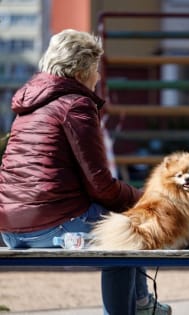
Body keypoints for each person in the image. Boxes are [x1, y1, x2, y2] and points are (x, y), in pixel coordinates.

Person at [0, 29, 171, 315]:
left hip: (9, 227)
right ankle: (139, 306)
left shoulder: (28, 106)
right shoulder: (76, 105)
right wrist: (141, 199)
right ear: (81, 71)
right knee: (126, 234)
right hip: (51, 224)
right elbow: (100, 185)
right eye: (96, 69)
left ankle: (141, 304)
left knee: (122, 224)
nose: (98, 78)